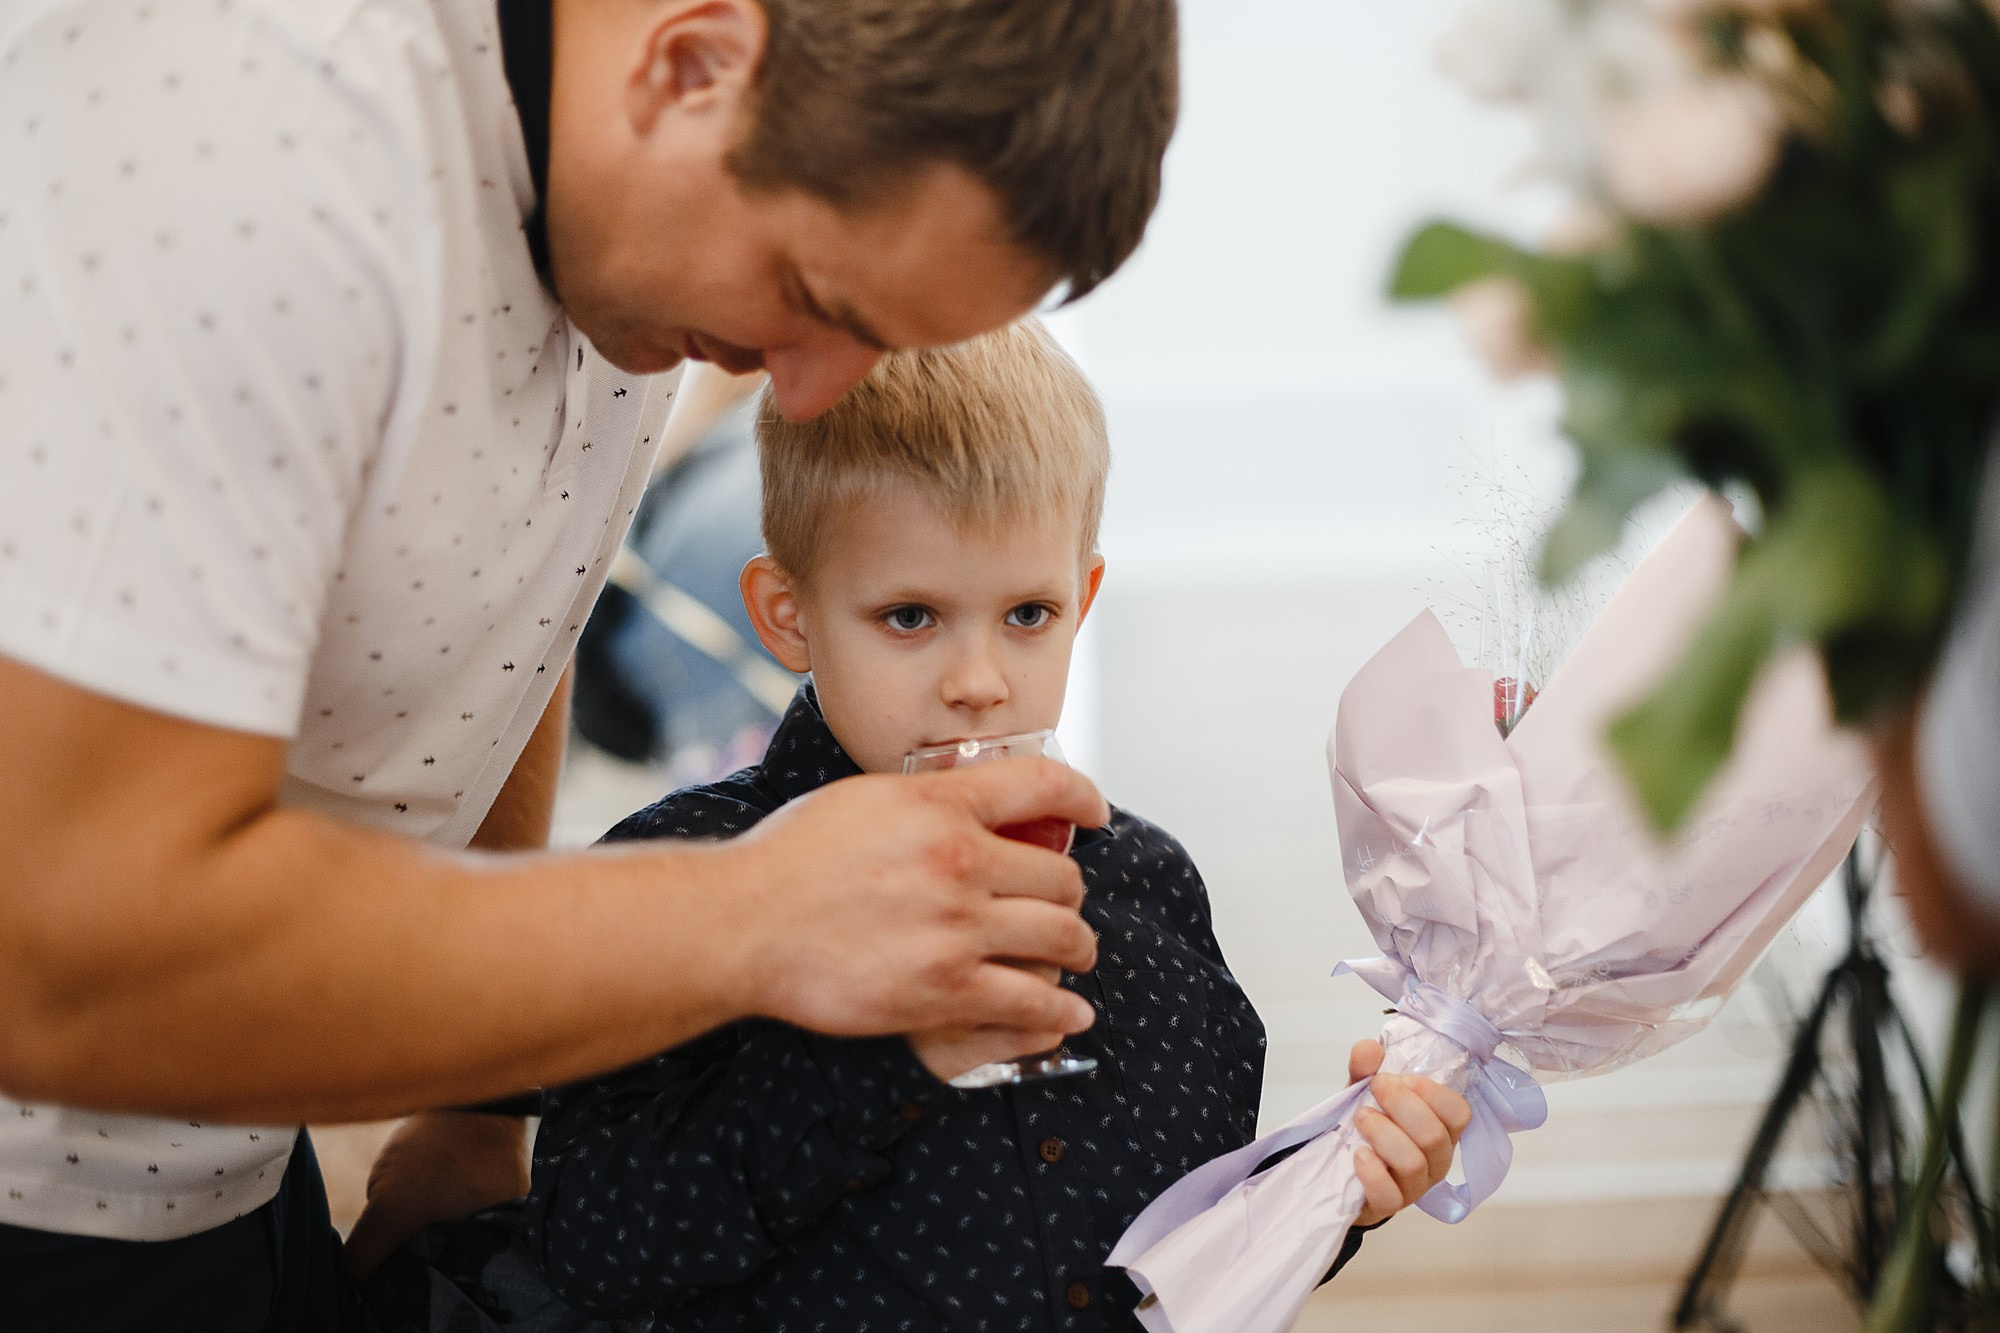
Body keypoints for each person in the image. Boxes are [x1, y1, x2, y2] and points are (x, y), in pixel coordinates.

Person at [0, 0, 1179, 1326]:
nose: (805, 393)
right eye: (811, 294)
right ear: (692, 66)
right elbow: (65, 953)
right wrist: (762, 914)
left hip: (219, 1142)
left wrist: (475, 1096)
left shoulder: (617, 224)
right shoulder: (239, 147)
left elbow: (511, 610)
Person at [525, 322, 1474, 1329]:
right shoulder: (681, 873)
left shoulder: (1145, 886)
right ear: (786, 611)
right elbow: (589, 1245)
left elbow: (1174, 1258)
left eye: (1026, 614)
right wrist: (887, 1057)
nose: (978, 683)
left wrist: (1335, 1180)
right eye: (908, 617)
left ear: (1082, 599)